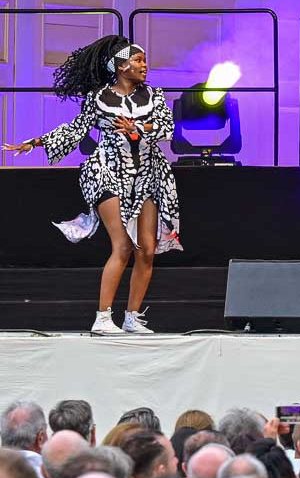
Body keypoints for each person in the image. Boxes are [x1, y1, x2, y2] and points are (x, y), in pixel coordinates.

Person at [3, 36, 180, 334]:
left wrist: (138, 127)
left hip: (147, 174)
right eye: (138, 61)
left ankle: (132, 317)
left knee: (147, 250)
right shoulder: (98, 98)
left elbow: (167, 128)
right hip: (108, 171)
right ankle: (102, 317)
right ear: (121, 66)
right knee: (122, 245)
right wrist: (35, 142)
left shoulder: (153, 95)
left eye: (144, 61)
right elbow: (76, 129)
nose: (144, 66)